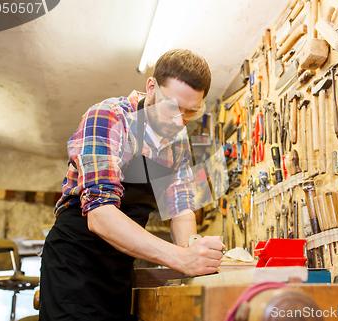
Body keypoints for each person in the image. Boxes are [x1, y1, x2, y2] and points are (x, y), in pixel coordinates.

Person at [39, 49, 226, 321]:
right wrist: (180, 258)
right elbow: (100, 216)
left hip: (120, 266)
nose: (178, 121)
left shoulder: (179, 140)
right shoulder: (108, 117)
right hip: (75, 262)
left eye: (190, 112)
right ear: (151, 86)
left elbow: (181, 209)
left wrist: (193, 253)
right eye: (171, 106)